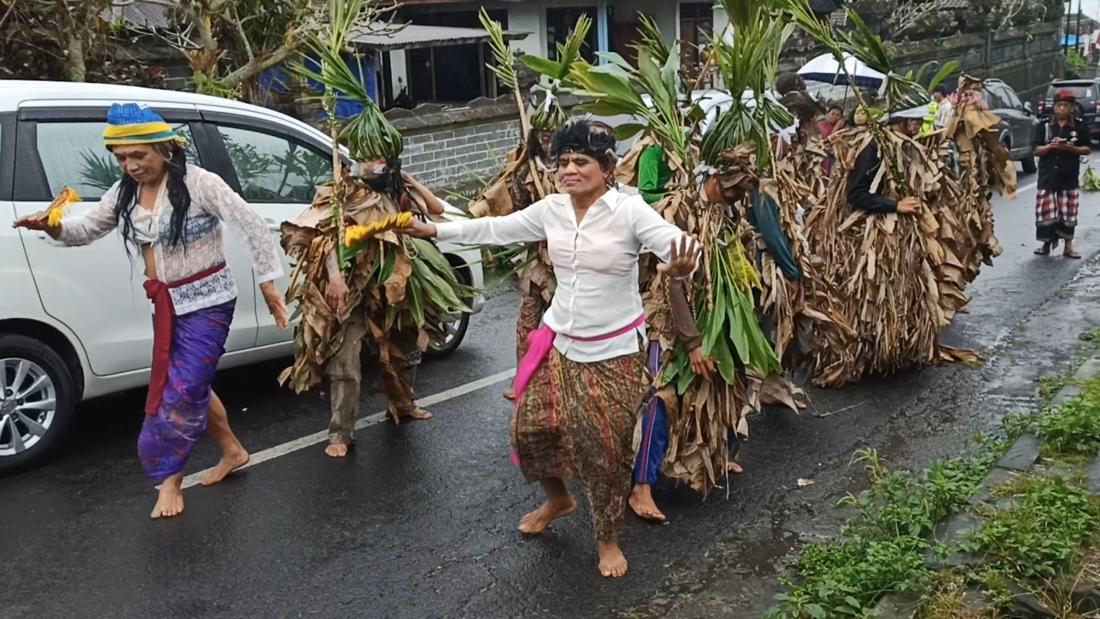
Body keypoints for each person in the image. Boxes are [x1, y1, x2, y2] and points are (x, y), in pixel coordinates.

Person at [398, 120, 709, 579]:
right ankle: (558, 500)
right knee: (530, 431)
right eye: (563, 162)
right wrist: (435, 233)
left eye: (580, 162)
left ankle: (607, 540)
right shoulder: (552, 210)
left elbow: (680, 247)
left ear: (605, 168)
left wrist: (682, 263)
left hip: (614, 353)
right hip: (559, 343)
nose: (569, 170)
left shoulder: (630, 210)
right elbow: (493, 229)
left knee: (603, 453)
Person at [14, 103, 288, 519]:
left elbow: (251, 225)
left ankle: (170, 479)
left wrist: (269, 283)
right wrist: (50, 226)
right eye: (123, 158)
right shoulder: (123, 191)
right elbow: (87, 229)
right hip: (164, 302)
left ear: (164, 148)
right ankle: (232, 450)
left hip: (208, 302)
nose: (131, 165)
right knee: (189, 383)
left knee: (179, 388)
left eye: (139, 155)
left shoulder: (199, 183)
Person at [282, 159, 446, 458]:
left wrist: (407, 178)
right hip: (352, 287)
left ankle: (403, 403)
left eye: (383, 161)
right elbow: (322, 236)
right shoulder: (340, 192)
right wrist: (334, 277)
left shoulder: (399, 189)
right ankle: (340, 432)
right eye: (371, 161)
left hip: (397, 283)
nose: (377, 167)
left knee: (405, 345)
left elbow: (437, 210)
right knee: (345, 356)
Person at [1033, 90, 1090, 259]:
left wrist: (1070, 148)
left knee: (1068, 211)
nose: (1062, 108)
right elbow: (1036, 150)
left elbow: (1086, 148)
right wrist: (1050, 147)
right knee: (1045, 211)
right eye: (1059, 105)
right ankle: (1045, 244)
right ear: (1054, 107)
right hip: (1047, 176)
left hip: (1068, 176)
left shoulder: (1079, 126)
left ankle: (1068, 246)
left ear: (1071, 108)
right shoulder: (1043, 126)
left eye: (1066, 105)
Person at [848, 109, 925, 215]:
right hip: (881, 220)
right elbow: (856, 194)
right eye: (917, 120)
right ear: (901, 121)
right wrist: (896, 205)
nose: (919, 126)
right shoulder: (875, 146)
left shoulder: (910, 142)